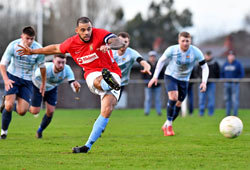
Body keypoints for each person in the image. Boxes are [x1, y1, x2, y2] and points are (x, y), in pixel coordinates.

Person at [17, 17, 125, 153]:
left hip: (112, 71)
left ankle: (87, 146)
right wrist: (33, 51)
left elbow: (118, 42)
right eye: (83, 30)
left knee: (107, 110)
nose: (87, 32)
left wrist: (109, 45)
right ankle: (107, 83)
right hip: (92, 73)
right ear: (77, 31)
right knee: (98, 80)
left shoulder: (100, 34)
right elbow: (55, 48)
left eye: (89, 29)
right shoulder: (72, 43)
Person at [148, 31, 209, 136]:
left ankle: (166, 124)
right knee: (173, 97)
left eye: (187, 41)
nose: (185, 43)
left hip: (184, 80)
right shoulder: (172, 50)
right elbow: (161, 61)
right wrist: (155, 76)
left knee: (178, 103)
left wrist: (204, 82)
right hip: (171, 76)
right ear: (179, 41)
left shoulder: (196, 52)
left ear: (190, 41)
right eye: (183, 41)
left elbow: (204, 67)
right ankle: (170, 127)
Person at [0, 26, 46, 140]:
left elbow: (42, 68)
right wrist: (6, 79)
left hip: (27, 81)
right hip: (12, 77)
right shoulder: (13, 46)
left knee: (22, 111)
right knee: (9, 106)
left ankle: (4, 104)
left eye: (32, 39)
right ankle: (4, 132)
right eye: (27, 38)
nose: (30, 41)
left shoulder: (38, 49)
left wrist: (43, 84)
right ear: (22, 37)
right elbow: (2, 64)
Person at [30, 54, 81, 138]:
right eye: (58, 62)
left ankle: (39, 131)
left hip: (52, 89)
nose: (61, 65)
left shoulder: (67, 69)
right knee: (34, 111)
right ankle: (17, 106)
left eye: (63, 63)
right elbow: (35, 77)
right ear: (53, 61)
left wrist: (76, 88)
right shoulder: (45, 68)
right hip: (38, 87)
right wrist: (42, 86)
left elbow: (72, 83)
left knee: (50, 112)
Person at [112, 32, 151, 100]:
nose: (123, 44)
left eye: (125, 42)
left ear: (128, 43)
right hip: (109, 80)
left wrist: (147, 67)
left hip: (121, 83)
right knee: (108, 104)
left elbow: (142, 61)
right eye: (120, 41)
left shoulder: (132, 53)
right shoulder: (111, 52)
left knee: (112, 104)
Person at [196, 51, 220, 116]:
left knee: (211, 99)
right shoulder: (201, 62)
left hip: (211, 83)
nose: (208, 57)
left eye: (209, 55)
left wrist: (215, 78)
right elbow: (197, 71)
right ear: (204, 55)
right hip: (202, 83)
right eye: (207, 55)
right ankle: (201, 113)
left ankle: (210, 113)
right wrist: (200, 78)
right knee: (201, 99)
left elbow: (218, 72)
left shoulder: (215, 63)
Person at [221, 51, 244, 116]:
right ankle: (227, 115)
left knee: (235, 100)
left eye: (232, 55)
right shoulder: (225, 64)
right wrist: (223, 79)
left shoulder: (238, 64)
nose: (231, 57)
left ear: (234, 56)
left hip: (235, 84)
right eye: (229, 55)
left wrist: (237, 79)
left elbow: (242, 74)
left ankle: (235, 115)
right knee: (227, 99)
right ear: (228, 56)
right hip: (226, 84)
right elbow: (222, 74)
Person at [142, 50, 163, 116]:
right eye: (151, 56)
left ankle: (159, 112)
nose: (152, 58)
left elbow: (162, 74)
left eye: (154, 56)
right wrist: (146, 82)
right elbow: (143, 74)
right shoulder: (146, 65)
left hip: (157, 85)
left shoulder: (158, 64)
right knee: (148, 99)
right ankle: (146, 112)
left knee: (158, 99)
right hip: (148, 86)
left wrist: (159, 80)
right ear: (149, 57)